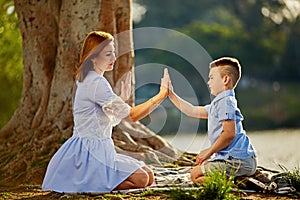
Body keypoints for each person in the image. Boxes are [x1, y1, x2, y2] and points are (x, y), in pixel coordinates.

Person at [42, 31, 170, 193]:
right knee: (142, 178)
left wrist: (121, 100)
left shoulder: (93, 79)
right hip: (89, 154)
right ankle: (85, 183)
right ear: (93, 57)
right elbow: (131, 117)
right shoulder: (95, 82)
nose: (114, 58)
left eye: (114, 53)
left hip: (102, 150)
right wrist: (160, 96)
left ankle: (93, 181)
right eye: (108, 54)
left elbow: (106, 119)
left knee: (148, 175)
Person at [168, 57, 257, 184]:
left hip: (237, 161)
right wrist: (171, 94)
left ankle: (235, 185)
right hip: (239, 160)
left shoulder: (225, 103)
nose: (208, 82)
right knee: (202, 168)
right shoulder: (219, 103)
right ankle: (237, 180)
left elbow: (229, 134)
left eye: (212, 78)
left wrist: (208, 152)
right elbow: (192, 110)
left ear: (225, 79)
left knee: (195, 175)